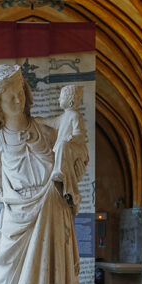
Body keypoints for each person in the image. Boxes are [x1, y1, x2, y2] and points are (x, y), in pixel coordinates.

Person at [0, 64, 88, 284]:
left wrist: (68, 140)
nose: (18, 100)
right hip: (17, 219)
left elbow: (77, 156)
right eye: (10, 98)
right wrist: (18, 199)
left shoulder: (46, 129)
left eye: (20, 92)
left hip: (52, 212)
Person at [49, 84, 89, 215]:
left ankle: (59, 172)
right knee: (60, 150)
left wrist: (69, 138)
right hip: (67, 149)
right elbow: (51, 122)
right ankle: (72, 195)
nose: (58, 100)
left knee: (62, 146)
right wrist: (36, 121)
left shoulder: (76, 116)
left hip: (77, 149)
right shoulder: (63, 117)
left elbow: (79, 135)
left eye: (61, 98)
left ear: (70, 101)